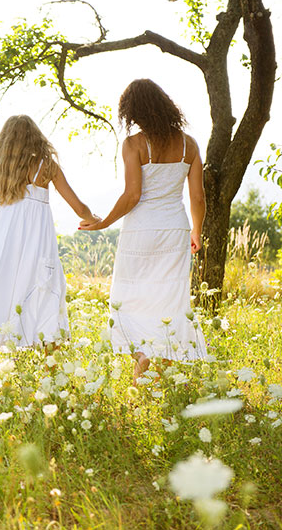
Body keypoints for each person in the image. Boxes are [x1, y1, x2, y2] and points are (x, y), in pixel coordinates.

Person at [0, 115, 100, 370]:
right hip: (37, 243)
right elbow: (78, 206)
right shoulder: (47, 166)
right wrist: (92, 218)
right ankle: (51, 376)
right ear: (36, 138)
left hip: (2, 241)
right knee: (43, 291)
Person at [80, 79, 207, 383]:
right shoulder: (189, 144)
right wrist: (197, 232)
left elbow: (132, 195)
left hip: (140, 230)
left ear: (133, 111)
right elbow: (198, 196)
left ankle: (142, 356)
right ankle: (155, 369)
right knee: (168, 298)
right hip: (175, 227)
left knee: (131, 296)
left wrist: (103, 222)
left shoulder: (134, 144)